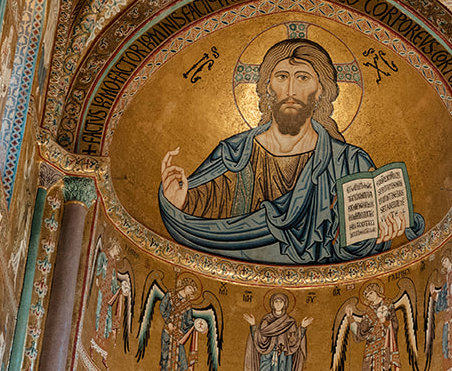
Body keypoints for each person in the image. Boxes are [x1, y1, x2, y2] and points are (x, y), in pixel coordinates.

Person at [158, 39, 421, 264]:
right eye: (282, 77)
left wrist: (379, 236)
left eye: (303, 78)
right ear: (267, 87)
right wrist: (177, 203)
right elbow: (204, 216)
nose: (291, 90)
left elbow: (346, 249)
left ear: (320, 91)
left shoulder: (349, 163)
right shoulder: (234, 155)